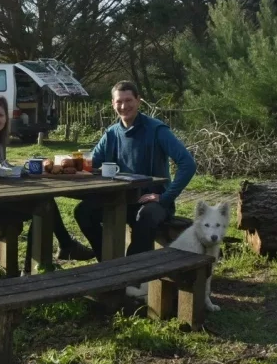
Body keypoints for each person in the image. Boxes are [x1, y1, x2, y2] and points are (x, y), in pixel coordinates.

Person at [0, 94, 95, 264]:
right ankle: (41, 262)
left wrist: (21, 170)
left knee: (44, 202)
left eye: (0, 115)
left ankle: (50, 255)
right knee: (43, 207)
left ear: (6, 117)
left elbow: (0, 166)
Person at [74, 81, 196, 261]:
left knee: (145, 216)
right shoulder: (112, 133)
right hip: (119, 199)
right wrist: (64, 163)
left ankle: (131, 272)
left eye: (129, 100)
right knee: (83, 211)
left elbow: (187, 164)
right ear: (112, 104)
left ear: (139, 100)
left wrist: (165, 197)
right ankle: (107, 261)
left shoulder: (157, 130)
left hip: (152, 202)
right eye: (119, 102)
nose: (124, 106)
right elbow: (91, 163)